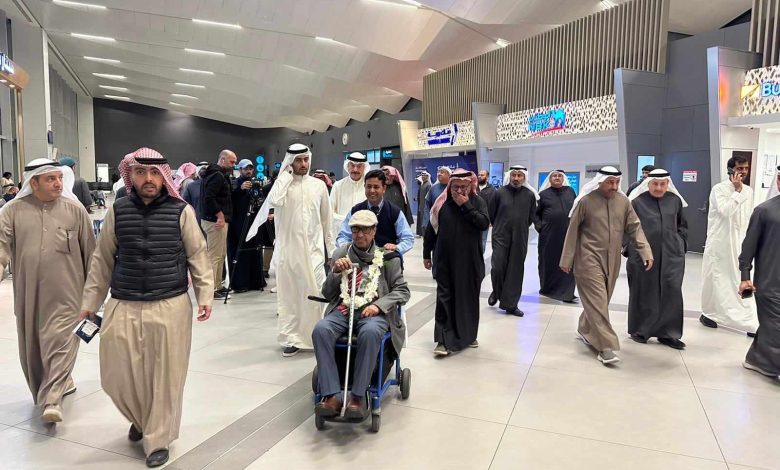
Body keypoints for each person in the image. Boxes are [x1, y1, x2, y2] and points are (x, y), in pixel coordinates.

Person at [80, 148, 213, 468]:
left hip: (169, 304)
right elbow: (102, 259)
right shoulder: (118, 210)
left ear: (164, 176)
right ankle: (141, 418)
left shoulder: (181, 211)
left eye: (154, 173)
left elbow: (197, 254)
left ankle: (158, 438)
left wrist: (205, 295)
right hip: (123, 301)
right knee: (116, 374)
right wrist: (90, 303)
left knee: (165, 375)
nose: (148, 179)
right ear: (131, 175)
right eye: (141, 172)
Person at [0, 158, 95, 423]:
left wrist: (94, 294)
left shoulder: (74, 210)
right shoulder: (12, 211)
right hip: (29, 294)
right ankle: (58, 384)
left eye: (60, 178)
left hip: (69, 294)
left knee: (61, 341)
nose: (58, 183)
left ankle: (53, 400)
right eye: (50, 179)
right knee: (34, 347)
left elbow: (92, 253)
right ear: (34, 183)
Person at [312, 210, 410, 417]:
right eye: (355, 230)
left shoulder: (388, 257)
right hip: (343, 309)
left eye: (365, 230)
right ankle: (331, 395)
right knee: (321, 329)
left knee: (370, 332)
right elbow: (327, 293)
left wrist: (379, 306)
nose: (360, 235)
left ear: (374, 231)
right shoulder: (341, 254)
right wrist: (335, 273)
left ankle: (358, 396)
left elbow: (402, 291)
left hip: (373, 312)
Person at [560, 166, 653, 365]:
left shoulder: (623, 202)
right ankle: (606, 347)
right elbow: (572, 231)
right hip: (587, 258)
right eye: (610, 182)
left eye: (617, 182)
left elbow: (634, 227)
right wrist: (567, 259)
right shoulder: (586, 201)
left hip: (613, 260)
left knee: (601, 301)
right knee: (598, 300)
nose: (614, 186)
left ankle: (585, 328)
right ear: (600, 181)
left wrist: (645, 251)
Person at [264, 144, 334, 357]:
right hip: (289, 253)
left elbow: (327, 221)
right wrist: (285, 176)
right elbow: (274, 200)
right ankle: (292, 338)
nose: (303, 164)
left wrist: (331, 252)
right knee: (291, 298)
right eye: (298, 160)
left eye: (306, 159)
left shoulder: (319, 186)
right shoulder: (282, 185)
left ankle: (320, 336)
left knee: (317, 293)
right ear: (290, 162)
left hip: (314, 252)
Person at [423, 171, 490, 356]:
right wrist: (426, 254)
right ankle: (442, 341)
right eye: (455, 187)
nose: (459, 191)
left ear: (470, 186)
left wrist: (466, 205)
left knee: (468, 298)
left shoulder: (478, 202)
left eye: (463, 187)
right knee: (444, 298)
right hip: (445, 260)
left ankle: (468, 336)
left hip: (470, 262)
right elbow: (431, 230)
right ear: (450, 186)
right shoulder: (442, 204)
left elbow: (484, 223)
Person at [626, 169, 689, 349]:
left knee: (672, 292)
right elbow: (628, 228)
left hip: (672, 255)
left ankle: (669, 333)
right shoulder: (637, 202)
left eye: (663, 184)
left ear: (668, 184)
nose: (659, 188)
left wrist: (681, 244)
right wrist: (630, 250)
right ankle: (640, 330)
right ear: (648, 183)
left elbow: (682, 225)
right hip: (643, 256)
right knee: (644, 291)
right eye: (655, 184)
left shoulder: (675, 200)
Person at [700, 155, 758, 334]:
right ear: (731, 170)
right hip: (720, 244)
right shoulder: (719, 189)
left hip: (740, 243)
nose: (744, 172)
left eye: (746, 168)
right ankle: (709, 314)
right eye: (740, 168)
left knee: (740, 279)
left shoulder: (749, 191)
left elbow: (747, 217)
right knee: (717, 280)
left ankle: (747, 319)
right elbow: (725, 211)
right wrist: (737, 191)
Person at [739, 166, 780, 378]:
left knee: (771, 326)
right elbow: (748, 248)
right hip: (770, 282)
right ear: (779, 182)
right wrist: (745, 277)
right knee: (775, 325)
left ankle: (756, 358)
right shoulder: (764, 211)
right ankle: (774, 367)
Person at [488, 165, 538, 316]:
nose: (516, 178)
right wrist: (501, 226)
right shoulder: (499, 193)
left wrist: (518, 227)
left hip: (520, 236)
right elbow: (491, 214)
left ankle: (510, 304)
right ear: (509, 176)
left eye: (519, 175)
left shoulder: (529, 195)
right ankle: (497, 291)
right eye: (514, 175)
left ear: (524, 177)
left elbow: (531, 217)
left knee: (515, 269)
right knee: (498, 266)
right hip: (500, 235)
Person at [336, 169, 414, 255]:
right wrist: (346, 247)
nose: (372, 190)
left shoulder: (394, 212)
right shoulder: (355, 211)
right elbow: (343, 236)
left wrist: (397, 247)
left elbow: (408, 239)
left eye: (376, 187)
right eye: (369, 187)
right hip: (359, 259)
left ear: (384, 188)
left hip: (387, 259)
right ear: (364, 187)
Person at [535, 170, 577, 303]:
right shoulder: (543, 195)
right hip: (549, 235)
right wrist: (540, 227)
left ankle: (567, 292)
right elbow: (535, 214)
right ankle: (548, 289)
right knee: (549, 261)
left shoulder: (570, 191)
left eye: (559, 176)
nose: (557, 178)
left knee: (568, 261)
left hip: (568, 234)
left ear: (563, 179)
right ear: (550, 179)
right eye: (554, 176)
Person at [200, 150, 237, 299]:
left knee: (221, 255)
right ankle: (211, 289)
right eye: (231, 162)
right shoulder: (217, 175)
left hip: (217, 220)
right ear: (222, 160)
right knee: (214, 256)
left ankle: (218, 285)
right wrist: (220, 215)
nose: (233, 165)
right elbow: (209, 198)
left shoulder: (217, 174)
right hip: (215, 221)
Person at [227, 159, 266, 292]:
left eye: (250, 169)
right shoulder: (233, 183)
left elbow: (259, 200)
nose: (248, 171)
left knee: (254, 251)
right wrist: (240, 190)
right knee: (240, 253)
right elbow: (229, 200)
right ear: (240, 170)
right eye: (245, 169)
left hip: (253, 222)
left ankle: (256, 282)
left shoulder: (256, 183)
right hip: (238, 224)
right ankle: (240, 283)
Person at [330, 152, 369, 241]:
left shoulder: (369, 187)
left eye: (359, 166)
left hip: (364, 235)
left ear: (364, 168)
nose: (355, 169)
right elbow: (330, 212)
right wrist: (347, 220)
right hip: (341, 234)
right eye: (352, 165)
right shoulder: (338, 186)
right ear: (347, 166)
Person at [478, 169, 497, 252]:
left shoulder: (492, 190)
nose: (479, 176)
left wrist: (491, 220)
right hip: (472, 218)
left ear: (487, 177)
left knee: (483, 239)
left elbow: (493, 206)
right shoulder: (472, 187)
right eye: (479, 175)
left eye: (482, 175)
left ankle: (480, 257)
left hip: (485, 219)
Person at [415, 171, 432, 236]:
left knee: (424, 219)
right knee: (421, 219)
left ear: (427, 176)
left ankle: (425, 233)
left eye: (424, 175)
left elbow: (428, 196)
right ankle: (421, 233)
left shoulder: (428, 185)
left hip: (425, 206)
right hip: (421, 205)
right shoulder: (423, 184)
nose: (423, 177)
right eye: (422, 175)